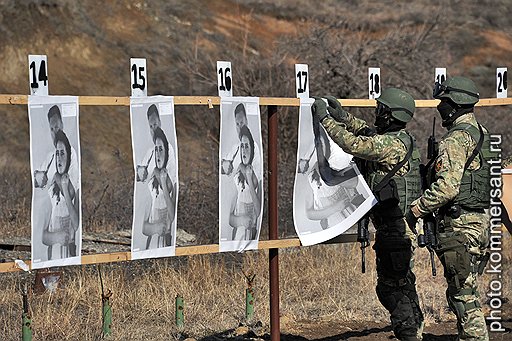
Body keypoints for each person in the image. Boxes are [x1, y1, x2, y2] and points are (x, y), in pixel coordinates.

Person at [312, 89, 424, 341]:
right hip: (397, 226)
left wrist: (326, 120)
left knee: (391, 289)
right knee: (403, 283)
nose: (377, 115)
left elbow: (354, 143)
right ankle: (415, 331)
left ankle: (409, 334)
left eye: (381, 110)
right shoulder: (398, 139)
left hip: (396, 230)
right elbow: (365, 132)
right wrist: (343, 116)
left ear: (391, 115)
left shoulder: (390, 144)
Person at [407, 76, 494, 341]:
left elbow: (447, 188)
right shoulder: (482, 133)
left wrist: (417, 209)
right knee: (465, 291)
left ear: (454, 104)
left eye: (443, 102)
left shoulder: (456, 139)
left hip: (461, 226)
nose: (440, 107)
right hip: (479, 223)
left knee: (463, 297)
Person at [303, 124, 363, 230]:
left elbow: (354, 182)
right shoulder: (312, 179)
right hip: (337, 223)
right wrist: (335, 208)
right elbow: (309, 213)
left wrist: (332, 177)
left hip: (351, 220)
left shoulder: (340, 166)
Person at [42, 130, 79, 260]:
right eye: (57, 153)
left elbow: (76, 224)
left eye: (62, 153)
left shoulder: (76, 185)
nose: (59, 158)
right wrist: (56, 237)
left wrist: (65, 187)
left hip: (70, 254)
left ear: (69, 156)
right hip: (54, 254)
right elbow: (43, 236)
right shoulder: (51, 188)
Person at [141, 127, 176, 249]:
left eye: (161, 149)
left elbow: (172, 216)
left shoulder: (173, 180)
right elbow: (143, 227)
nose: (158, 154)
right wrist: (155, 227)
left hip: (165, 243)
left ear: (167, 152)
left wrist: (164, 184)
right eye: (156, 149)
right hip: (151, 243)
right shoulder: (151, 182)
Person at [34, 105, 79, 192]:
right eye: (51, 129)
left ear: (62, 125)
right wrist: (37, 176)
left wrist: (56, 178)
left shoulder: (71, 152)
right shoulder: (51, 155)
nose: (54, 132)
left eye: (56, 127)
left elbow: (73, 190)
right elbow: (36, 179)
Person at [229, 125, 262, 240]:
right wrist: (241, 220)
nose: (244, 150)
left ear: (252, 149)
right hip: (237, 234)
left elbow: (258, 211)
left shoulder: (258, 174)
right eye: (242, 146)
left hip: (251, 236)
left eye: (247, 146)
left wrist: (249, 178)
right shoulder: (236, 176)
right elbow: (230, 218)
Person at [137, 104, 176, 183]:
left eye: (155, 124)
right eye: (150, 126)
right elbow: (139, 174)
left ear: (160, 123)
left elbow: (171, 181)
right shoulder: (150, 151)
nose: (153, 129)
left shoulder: (169, 149)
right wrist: (139, 171)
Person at [221, 103, 261, 176]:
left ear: (246, 121)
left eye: (242, 122)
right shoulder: (235, 147)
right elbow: (222, 165)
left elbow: (255, 180)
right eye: (237, 124)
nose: (240, 127)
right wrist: (224, 164)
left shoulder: (254, 147)